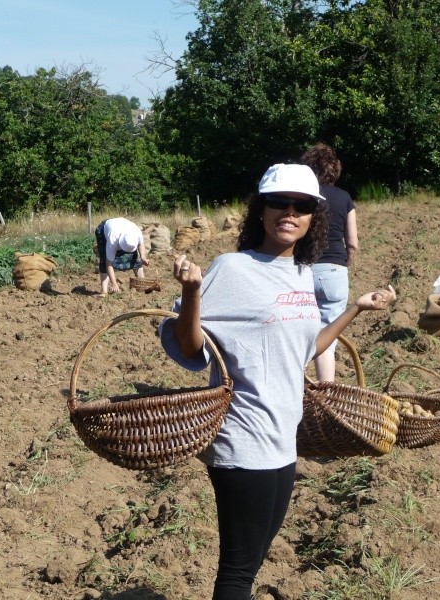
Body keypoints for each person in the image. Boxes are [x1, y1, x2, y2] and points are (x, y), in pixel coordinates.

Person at [158, 163, 396, 600]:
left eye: (301, 205)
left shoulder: (303, 273)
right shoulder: (232, 268)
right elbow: (191, 349)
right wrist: (192, 293)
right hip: (242, 437)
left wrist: (357, 309)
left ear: (314, 216)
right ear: (260, 210)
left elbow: (306, 349)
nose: (289, 212)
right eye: (278, 203)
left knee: (254, 557)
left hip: (284, 436)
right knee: (237, 571)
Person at [300, 142, 359, 382]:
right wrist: (344, 263)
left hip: (302, 269)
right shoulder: (344, 198)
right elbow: (352, 242)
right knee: (328, 336)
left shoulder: (303, 197)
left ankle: (295, 391)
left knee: (298, 334)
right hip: (334, 270)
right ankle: (327, 396)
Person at [94, 217, 150, 295]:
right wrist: (114, 283)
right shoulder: (112, 240)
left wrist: (143, 257)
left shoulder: (136, 232)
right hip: (104, 229)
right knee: (104, 259)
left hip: (121, 226)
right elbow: (108, 264)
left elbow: (141, 244)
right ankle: (104, 291)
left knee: (136, 259)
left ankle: (141, 285)